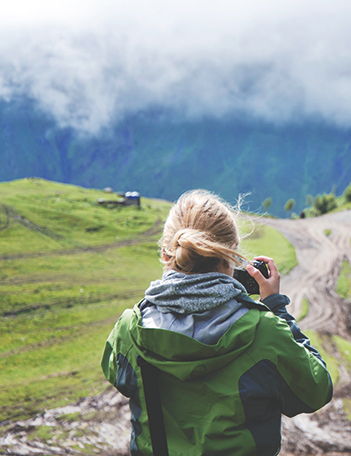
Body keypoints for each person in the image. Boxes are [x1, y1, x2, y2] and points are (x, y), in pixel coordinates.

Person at [101, 190, 332, 456]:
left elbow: (116, 375)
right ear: (232, 256)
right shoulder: (265, 331)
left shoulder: (130, 328)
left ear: (167, 255)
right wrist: (277, 309)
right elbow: (316, 390)